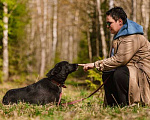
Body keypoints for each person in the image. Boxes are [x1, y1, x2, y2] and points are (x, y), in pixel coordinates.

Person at [79, 7, 150, 107]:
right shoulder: (121, 35)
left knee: (120, 73)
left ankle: (126, 105)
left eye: (109, 23)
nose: (107, 26)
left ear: (120, 22)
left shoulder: (132, 37)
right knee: (108, 72)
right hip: (131, 69)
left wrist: (95, 64)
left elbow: (120, 60)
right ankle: (112, 105)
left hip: (142, 73)